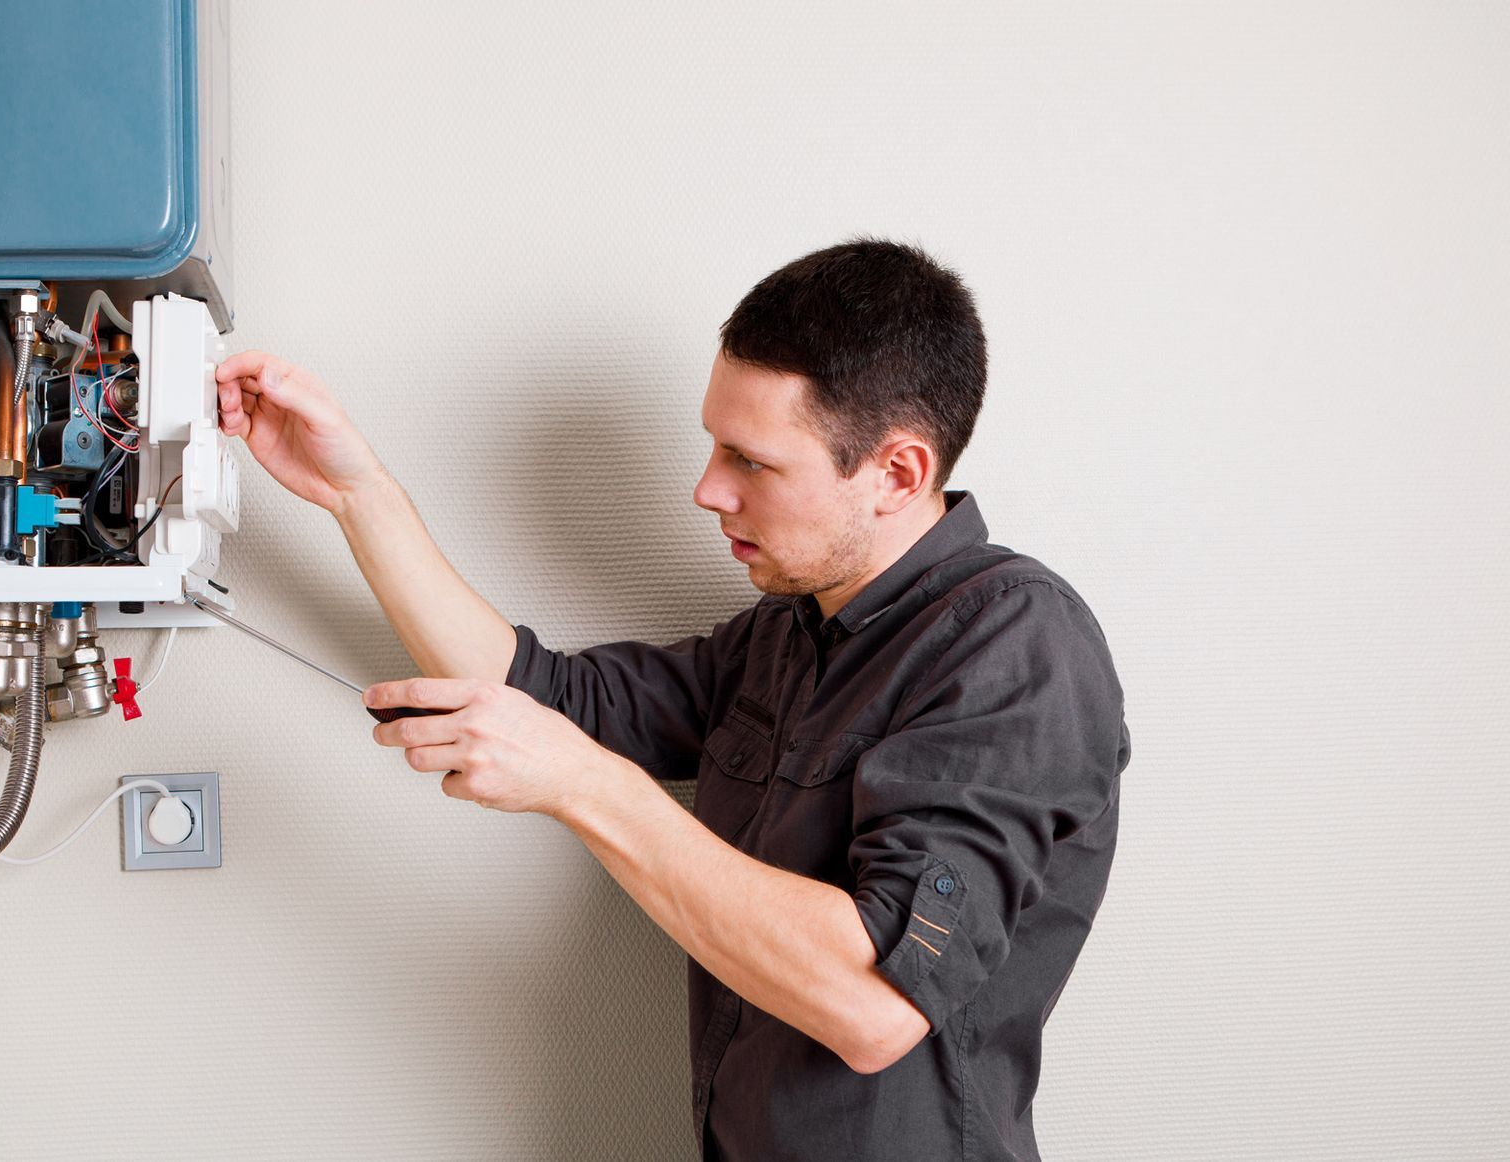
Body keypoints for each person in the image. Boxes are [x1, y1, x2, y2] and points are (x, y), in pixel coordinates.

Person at [215, 238, 1130, 1161]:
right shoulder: (783, 636)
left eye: (751, 460)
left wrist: (587, 786)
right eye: (712, 444)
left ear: (897, 473)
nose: (706, 489)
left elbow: (874, 1004)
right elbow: (543, 696)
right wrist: (356, 494)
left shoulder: (1015, 644)